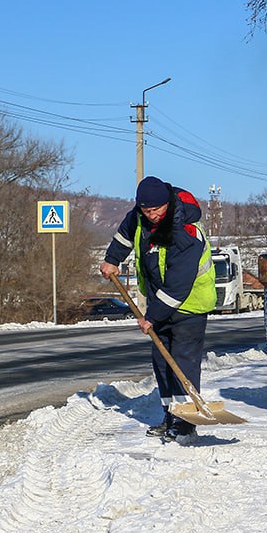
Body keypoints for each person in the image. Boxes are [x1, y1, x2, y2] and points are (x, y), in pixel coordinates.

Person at [100, 176, 216, 443]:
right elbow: (124, 235)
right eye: (146, 210)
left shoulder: (185, 231)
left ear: (167, 204)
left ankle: (186, 422)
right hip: (159, 302)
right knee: (162, 363)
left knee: (182, 363)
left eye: (156, 210)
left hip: (190, 304)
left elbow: (178, 286)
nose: (151, 216)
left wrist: (150, 317)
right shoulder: (139, 216)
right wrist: (111, 259)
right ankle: (170, 416)